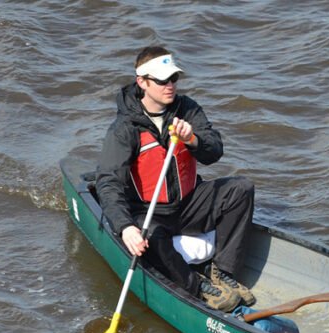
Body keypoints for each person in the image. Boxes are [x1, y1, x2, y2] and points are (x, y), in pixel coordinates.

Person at [96, 45, 255, 312]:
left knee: (241, 189)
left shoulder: (187, 109)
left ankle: (223, 272)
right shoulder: (124, 129)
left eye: (174, 78)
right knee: (152, 236)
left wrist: (193, 139)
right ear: (142, 82)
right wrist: (126, 227)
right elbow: (107, 182)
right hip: (149, 213)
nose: (170, 85)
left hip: (189, 204)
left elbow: (214, 151)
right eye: (161, 80)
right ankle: (197, 288)